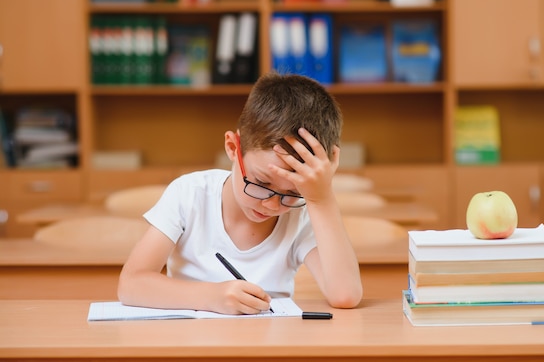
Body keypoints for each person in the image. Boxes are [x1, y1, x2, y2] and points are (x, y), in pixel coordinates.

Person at [118, 72, 363, 315]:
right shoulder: (189, 195)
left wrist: (321, 198)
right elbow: (131, 284)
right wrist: (209, 296)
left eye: (291, 192)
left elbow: (345, 295)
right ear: (233, 148)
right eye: (260, 182)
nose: (271, 203)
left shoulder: (305, 213)